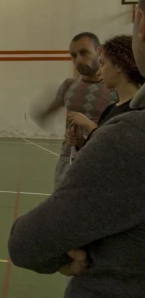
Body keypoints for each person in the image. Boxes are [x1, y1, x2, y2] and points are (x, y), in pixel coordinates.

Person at [8, 0, 145, 298]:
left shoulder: (126, 125)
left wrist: (91, 133)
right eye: (74, 55)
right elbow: (48, 108)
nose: (81, 61)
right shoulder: (74, 86)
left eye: (86, 53)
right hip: (77, 170)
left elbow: (28, 242)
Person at [32, 32, 116, 189]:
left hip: (101, 159)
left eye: (84, 53)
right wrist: (43, 112)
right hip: (68, 157)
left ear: (100, 51)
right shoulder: (69, 85)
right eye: (74, 55)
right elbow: (52, 108)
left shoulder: (114, 88)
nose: (78, 60)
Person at [67, 34, 143, 141]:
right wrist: (81, 143)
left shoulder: (138, 111)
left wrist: (90, 126)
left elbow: (121, 149)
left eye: (102, 63)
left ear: (118, 66)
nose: (98, 72)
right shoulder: (110, 109)